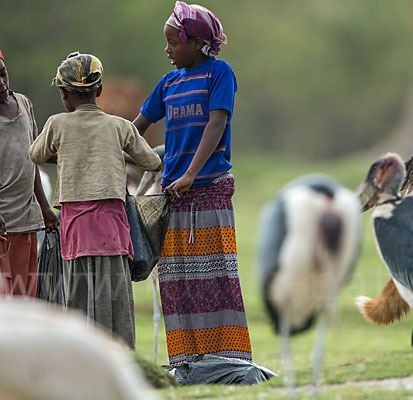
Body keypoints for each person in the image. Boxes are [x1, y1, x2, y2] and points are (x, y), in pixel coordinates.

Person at [132, 1, 253, 367]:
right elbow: (136, 129)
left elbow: (216, 126)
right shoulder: (169, 82)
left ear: (198, 43)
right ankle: (185, 360)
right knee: (178, 283)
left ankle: (228, 360)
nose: (167, 49)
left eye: (173, 42)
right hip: (174, 198)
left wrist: (190, 174)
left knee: (215, 277)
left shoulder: (220, 73)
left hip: (208, 192)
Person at [29, 52, 162, 348]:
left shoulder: (57, 124)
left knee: (78, 294)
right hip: (113, 229)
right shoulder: (119, 127)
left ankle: (83, 355)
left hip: (75, 229)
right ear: (99, 91)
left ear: (63, 94)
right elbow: (152, 162)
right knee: (115, 295)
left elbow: (35, 155)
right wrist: (115, 153)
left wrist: (67, 155)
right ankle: (121, 356)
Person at [0, 42, 59, 297]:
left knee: (25, 296)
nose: (0, 84)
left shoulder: (24, 104)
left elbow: (33, 160)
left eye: (3, 74)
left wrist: (45, 208)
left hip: (26, 217)